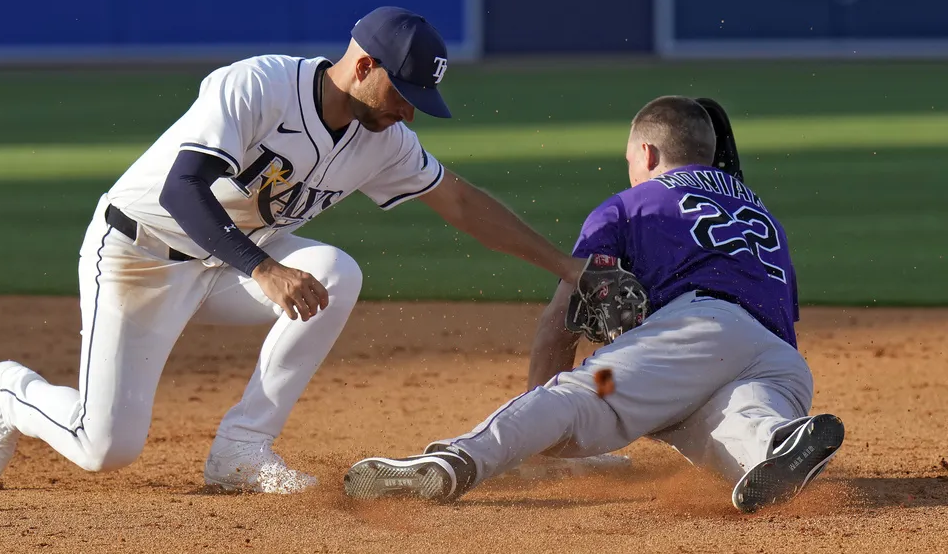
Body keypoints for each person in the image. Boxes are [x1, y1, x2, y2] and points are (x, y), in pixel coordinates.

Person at [0, 6, 590, 494]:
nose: (408, 114)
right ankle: (12, 393)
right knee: (104, 448)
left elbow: (461, 202)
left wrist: (567, 267)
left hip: (228, 263)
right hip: (139, 256)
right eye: (403, 94)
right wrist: (262, 268)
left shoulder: (383, 140)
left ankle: (240, 451)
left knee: (335, 272)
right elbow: (183, 189)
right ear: (364, 65)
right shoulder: (259, 86)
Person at [343, 95, 845, 513]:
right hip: (780, 364)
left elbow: (557, 326)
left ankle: (455, 460)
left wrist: (544, 444)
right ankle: (775, 439)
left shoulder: (629, 206)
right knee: (719, 423)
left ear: (647, 153)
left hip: (690, 338)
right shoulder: (760, 214)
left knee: (577, 397)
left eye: (629, 159)